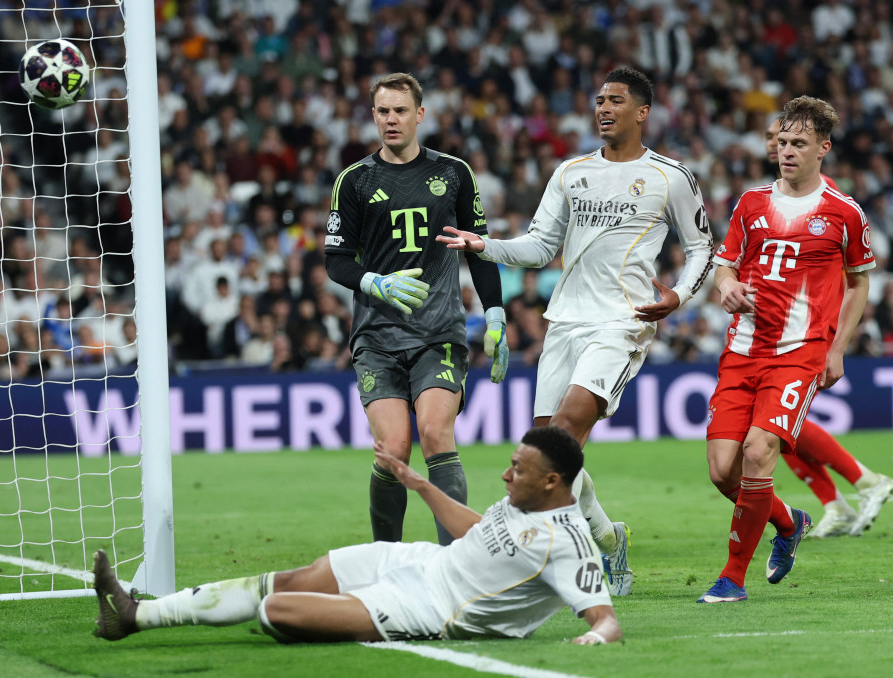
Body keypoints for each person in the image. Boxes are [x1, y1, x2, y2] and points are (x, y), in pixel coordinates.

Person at [438, 67, 714, 596]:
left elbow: (703, 246)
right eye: (598, 100)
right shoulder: (571, 172)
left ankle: (549, 559)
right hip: (565, 320)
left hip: (622, 321)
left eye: (615, 100)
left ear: (642, 112)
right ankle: (610, 542)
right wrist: (484, 245)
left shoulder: (670, 176)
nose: (603, 108)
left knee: (559, 435)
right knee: (551, 450)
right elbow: (541, 246)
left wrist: (678, 295)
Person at [92, 426, 620, 645]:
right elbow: (481, 532)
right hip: (419, 561)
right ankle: (136, 615)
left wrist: (593, 638)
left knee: (274, 611)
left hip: (431, 609)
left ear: (552, 481)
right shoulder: (523, 497)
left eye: (518, 470)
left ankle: (352, 611)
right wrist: (418, 484)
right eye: (510, 465)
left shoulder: (570, 543)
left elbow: (606, 620)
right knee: (293, 578)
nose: (506, 476)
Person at [698, 96, 875, 603]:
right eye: (781, 142)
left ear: (824, 148)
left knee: (759, 453)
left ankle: (732, 578)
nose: (786, 151)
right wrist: (726, 286)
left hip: (799, 352)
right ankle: (788, 521)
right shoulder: (751, 202)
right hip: (742, 349)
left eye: (798, 143)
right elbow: (725, 263)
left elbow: (859, 282)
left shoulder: (843, 213)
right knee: (722, 471)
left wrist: (836, 349)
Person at [323, 73, 508, 546]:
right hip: (377, 337)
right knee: (392, 451)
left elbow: (477, 248)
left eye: (400, 110)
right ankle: (387, 562)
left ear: (419, 114)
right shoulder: (355, 180)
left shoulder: (453, 173)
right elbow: (336, 259)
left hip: (438, 332)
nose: (391, 119)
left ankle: (455, 565)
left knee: (434, 434)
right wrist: (375, 282)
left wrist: (495, 315)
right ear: (373, 115)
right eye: (383, 111)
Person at [761, 115, 893, 538]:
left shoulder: (829, 198)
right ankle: (835, 502)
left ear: (818, 146)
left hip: (811, 325)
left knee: (775, 423)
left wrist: (834, 338)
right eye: (774, 139)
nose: (776, 146)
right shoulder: (771, 199)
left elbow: (850, 274)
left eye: (786, 139)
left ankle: (865, 481)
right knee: (775, 428)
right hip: (773, 329)